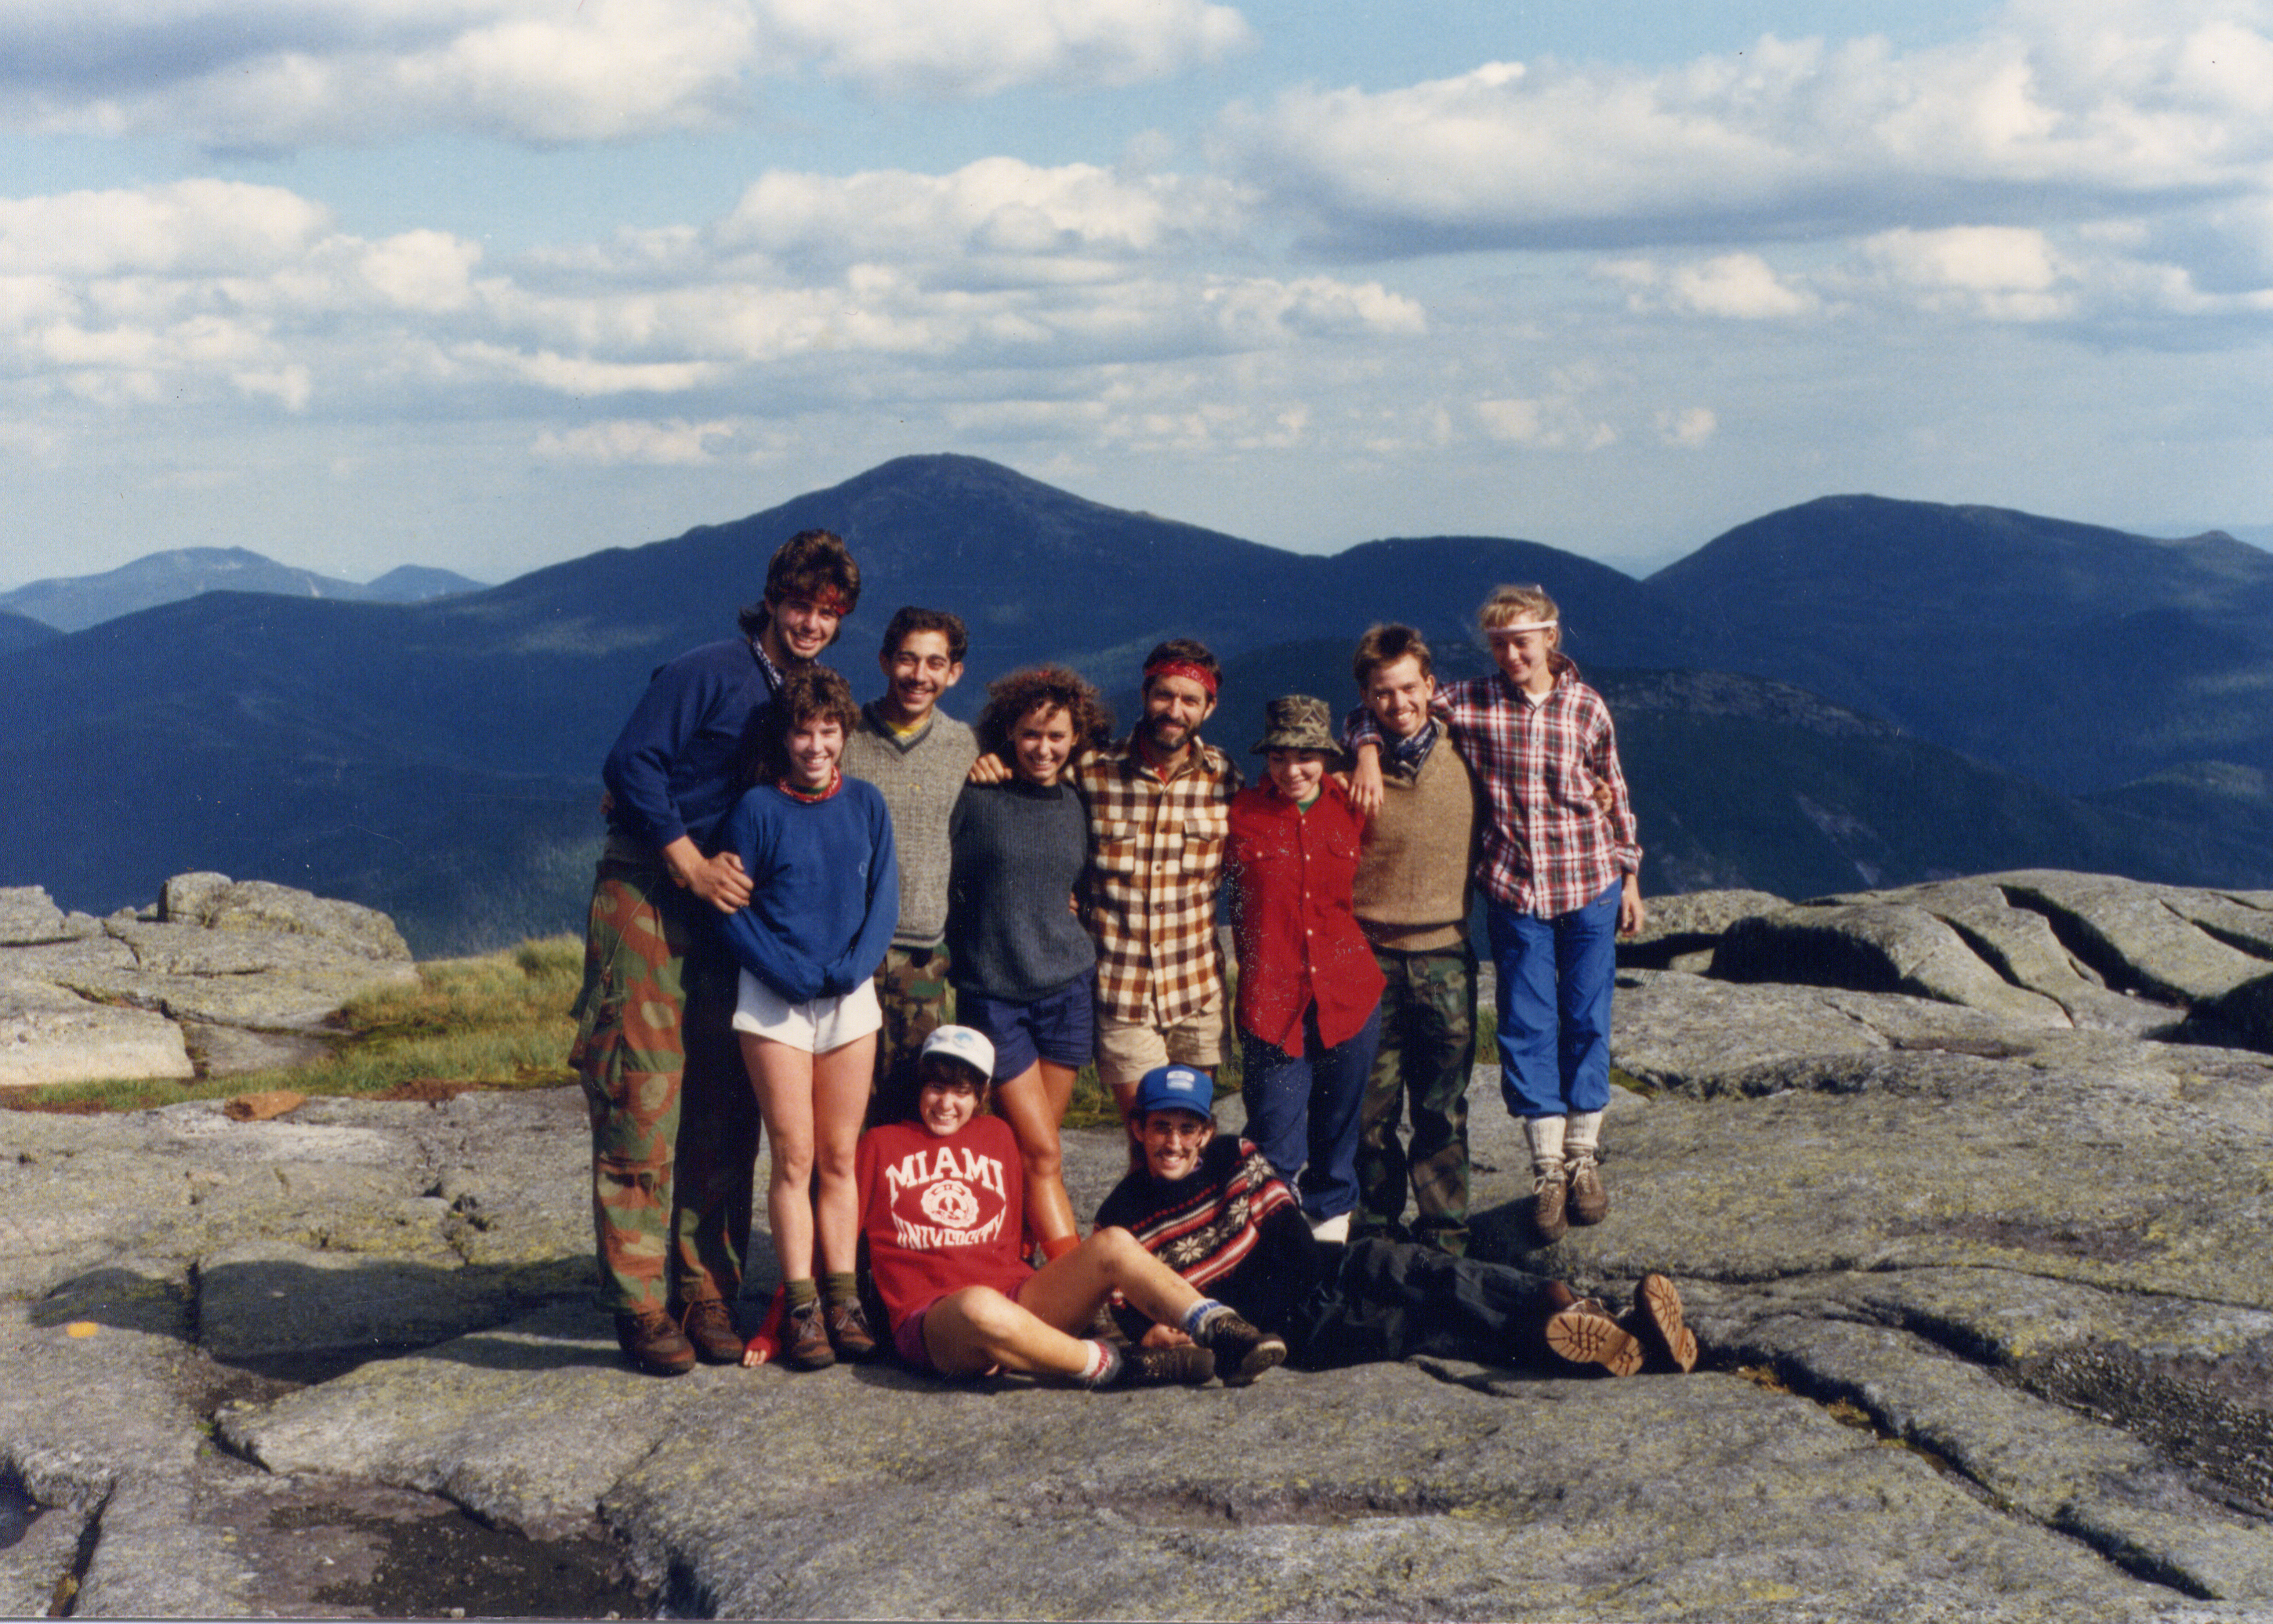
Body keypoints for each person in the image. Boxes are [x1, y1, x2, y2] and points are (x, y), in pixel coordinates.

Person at [571, 528, 859, 1376]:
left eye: (829, 612)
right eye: (800, 604)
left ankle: (707, 1289)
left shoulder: (795, 692)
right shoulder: (709, 669)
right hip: (654, 894)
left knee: (726, 1107)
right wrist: (687, 860)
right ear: (771, 599)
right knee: (642, 1096)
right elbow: (630, 763)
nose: (811, 621)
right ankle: (640, 1302)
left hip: (733, 912)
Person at [1349, 585, 1645, 1242]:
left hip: (1590, 880)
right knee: (1525, 1025)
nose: (1511, 654)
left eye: (1522, 640)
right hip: (1516, 893)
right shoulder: (1472, 702)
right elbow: (1388, 708)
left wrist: (1629, 874)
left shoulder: (1587, 707)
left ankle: (1583, 1161)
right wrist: (1367, 750)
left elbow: (1615, 788)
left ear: (1550, 638)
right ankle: (1545, 1170)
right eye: (1500, 643)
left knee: (1588, 1017)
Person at [1095, 1065, 1698, 1376]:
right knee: (1417, 1326)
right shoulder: (1121, 1219)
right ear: (1138, 1129)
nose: (1172, 1142)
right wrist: (1157, 1334)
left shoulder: (1235, 1157)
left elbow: (1288, 1232)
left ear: (1205, 1132)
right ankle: (1593, 1347)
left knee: (1424, 1269)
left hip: (1315, 1269)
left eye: (1185, 1128)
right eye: (1160, 1128)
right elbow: (1134, 1314)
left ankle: (1576, 1307)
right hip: (1276, 1325)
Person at [784, 1026, 1287, 1390]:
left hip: (1020, 1297)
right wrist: (778, 1319)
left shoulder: (998, 1135)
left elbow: (1027, 1239)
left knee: (1111, 1244)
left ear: (981, 1095)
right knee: (980, 1304)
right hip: (937, 1320)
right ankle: (1117, 1366)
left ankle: (1222, 1329)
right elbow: (832, 1231)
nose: (945, 1103)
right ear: (919, 1086)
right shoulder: (881, 1144)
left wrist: (1101, 1303)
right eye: (936, 1086)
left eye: (962, 1090)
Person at [966, 638, 1240, 1123]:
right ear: (1144, 694)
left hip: (1197, 991)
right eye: (1163, 695)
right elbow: (1037, 765)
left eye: (1190, 700)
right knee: (1145, 1135)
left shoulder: (1225, 779)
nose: (1174, 710)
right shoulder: (1091, 771)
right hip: (1123, 990)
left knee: (1185, 1139)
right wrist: (990, 758)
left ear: (1210, 707)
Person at [718, 666, 901, 1370]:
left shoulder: (867, 804)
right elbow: (730, 909)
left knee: (839, 1157)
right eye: (803, 730)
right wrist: (787, 973)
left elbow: (884, 895)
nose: (816, 745)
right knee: (792, 1156)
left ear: (846, 734)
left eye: (829, 730)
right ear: (785, 737)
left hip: (849, 1000)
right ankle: (799, 1306)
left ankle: (843, 1296)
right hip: (774, 1002)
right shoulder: (757, 809)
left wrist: (854, 969)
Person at [944, 667, 1111, 1258]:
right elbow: (950, 881)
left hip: (1066, 989)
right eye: (1031, 735)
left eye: (1057, 736)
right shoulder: (979, 796)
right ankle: (1073, 1281)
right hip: (996, 994)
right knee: (1041, 1152)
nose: (1044, 748)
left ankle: (1015, 1264)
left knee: (1034, 1146)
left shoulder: (1076, 802)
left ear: (1076, 739)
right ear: (1008, 735)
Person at [1224, 695, 1384, 1242]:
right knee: (1273, 1141)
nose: (1291, 771)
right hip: (1271, 1001)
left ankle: (1331, 1251)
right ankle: (1277, 1255)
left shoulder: (1353, 802)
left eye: (1305, 757)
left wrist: (1369, 754)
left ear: (1326, 755)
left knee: (1339, 1141)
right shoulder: (1239, 812)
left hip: (1349, 994)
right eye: (1278, 758)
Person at [1343, 625, 1481, 1256]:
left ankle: (1444, 1236)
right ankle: (1376, 1233)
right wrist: (1364, 747)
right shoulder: (1351, 763)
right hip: (1368, 955)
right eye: (1382, 693)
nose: (1398, 703)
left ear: (1432, 685)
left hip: (1445, 953)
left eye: (1409, 687)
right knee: (1368, 1113)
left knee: (1441, 1108)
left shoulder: (1471, 749)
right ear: (1366, 698)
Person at [840, 607, 978, 1111]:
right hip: (847, 948)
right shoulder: (845, 735)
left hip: (922, 955)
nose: (920, 675)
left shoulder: (966, 746)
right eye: (907, 659)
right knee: (841, 1110)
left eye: (935, 663)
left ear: (954, 672)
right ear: (883, 661)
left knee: (910, 1104)